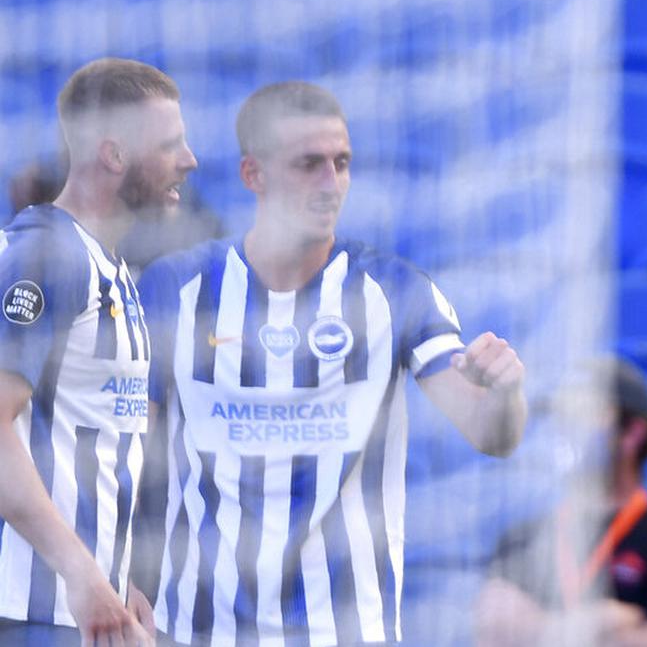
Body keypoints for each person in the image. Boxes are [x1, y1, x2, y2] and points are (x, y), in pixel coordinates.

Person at [128, 81, 528, 646]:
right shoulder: (176, 287)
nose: (331, 184)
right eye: (308, 165)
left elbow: (490, 433)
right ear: (253, 175)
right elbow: (134, 454)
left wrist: (506, 390)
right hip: (199, 629)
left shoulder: (396, 292)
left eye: (341, 164)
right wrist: (125, 577)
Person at [0, 57, 197, 646]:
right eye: (171, 144)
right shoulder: (46, 256)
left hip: (87, 611)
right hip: (30, 609)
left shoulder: (111, 267)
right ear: (113, 155)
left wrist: (122, 578)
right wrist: (81, 572)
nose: (188, 160)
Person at [475, 358, 647, 647]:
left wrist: (539, 629)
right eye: (560, 417)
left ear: (633, 434)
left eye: (581, 414)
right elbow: (493, 632)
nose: (564, 429)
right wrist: (601, 620)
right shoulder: (520, 537)